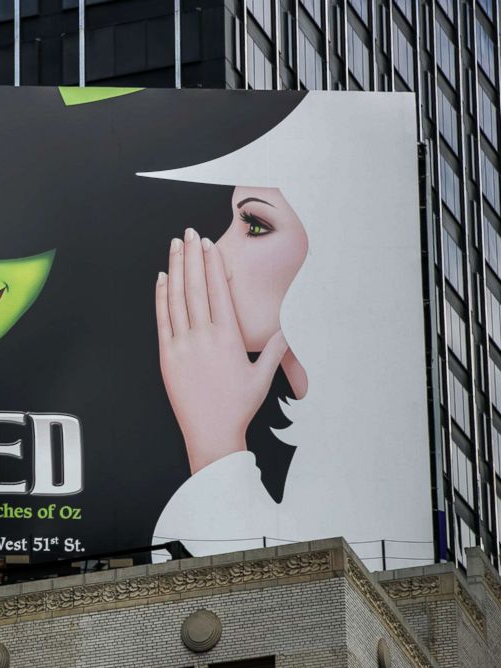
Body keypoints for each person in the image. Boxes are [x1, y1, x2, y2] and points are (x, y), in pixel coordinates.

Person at [141, 93, 434, 571]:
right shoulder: (337, 444)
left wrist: (215, 446)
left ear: (334, 243)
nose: (217, 252)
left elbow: (277, 617)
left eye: (254, 224)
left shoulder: (367, 462)